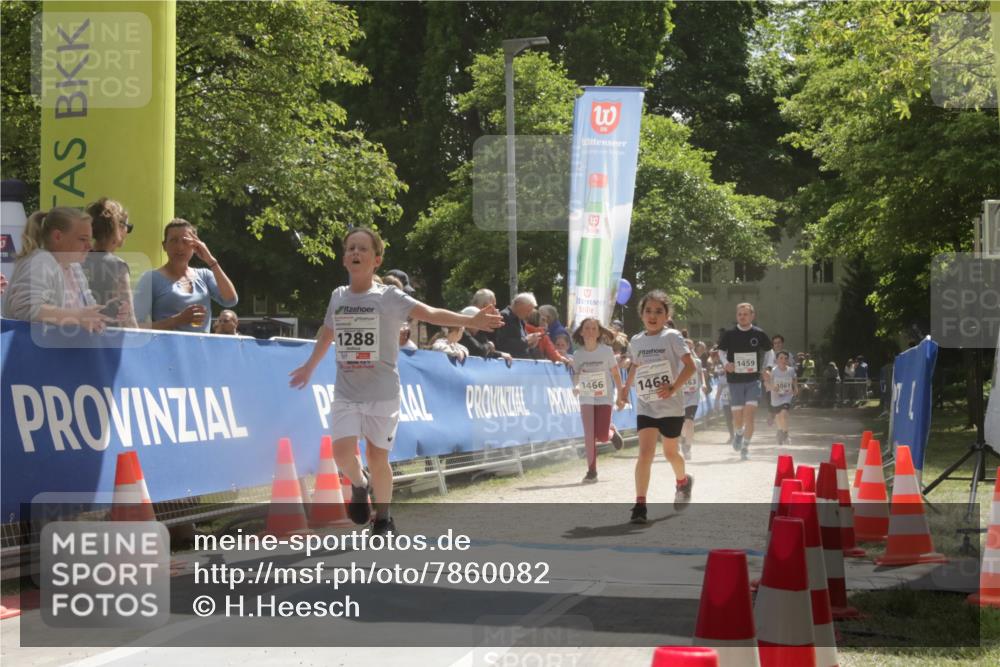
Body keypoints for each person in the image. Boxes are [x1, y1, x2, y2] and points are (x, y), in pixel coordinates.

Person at [289, 227, 502, 536]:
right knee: (341, 453)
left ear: (376, 260)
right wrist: (309, 366)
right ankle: (360, 484)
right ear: (344, 259)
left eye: (363, 249)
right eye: (351, 248)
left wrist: (470, 320)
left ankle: (383, 519)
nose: (356, 253)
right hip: (347, 392)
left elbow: (429, 313)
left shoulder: (388, 296)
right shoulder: (338, 296)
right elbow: (327, 333)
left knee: (378, 456)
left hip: (383, 392)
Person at [617, 290, 696, 523]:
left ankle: (683, 481)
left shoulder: (672, 337)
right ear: (641, 314)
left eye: (658, 311)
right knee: (645, 453)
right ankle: (640, 505)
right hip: (646, 405)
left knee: (670, 452)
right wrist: (625, 388)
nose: (653, 315)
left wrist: (673, 387)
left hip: (671, 406)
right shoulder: (636, 340)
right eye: (648, 311)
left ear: (667, 315)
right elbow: (635, 366)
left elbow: (691, 367)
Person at [2, 207, 113, 332]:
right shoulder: (41, 261)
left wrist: (112, 312)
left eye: (90, 239)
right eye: (83, 239)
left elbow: (88, 313)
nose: (90, 246)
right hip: (30, 350)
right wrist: (76, 317)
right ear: (58, 236)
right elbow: (25, 308)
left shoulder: (74, 267)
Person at [134, 219, 237, 332]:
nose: (180, 247)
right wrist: (176, 320)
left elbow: (230, 300)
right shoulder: (151, 278)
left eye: (185, 241)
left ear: (195, 246)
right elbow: (135, 326)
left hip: (201, 348)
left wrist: (211, 261)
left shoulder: (204, 275)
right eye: (174, 241)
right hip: (167, 348)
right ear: (164, 246)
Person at [571, 317, 625, 483]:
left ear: (599, 333)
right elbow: (577, 375)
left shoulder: (606, 351)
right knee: (589, 435)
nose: (590, 331)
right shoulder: (578, 354)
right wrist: (577, 386)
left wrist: (621, 395)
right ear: (581, 332)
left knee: (601, 436)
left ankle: (610, 431)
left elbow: (616, 373)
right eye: (587, 328)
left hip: (604, 396)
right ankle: (591, 471)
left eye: (594, 328)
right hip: (587, 397)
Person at [717, 302, 772, 460]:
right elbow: (721, 351)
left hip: (752, 380)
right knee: (737, 418)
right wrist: (726, 364)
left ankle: (745, 447)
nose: (742, 317)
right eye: (740, 314)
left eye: (745, 314)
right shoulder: (729, 334)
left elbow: (769, 352)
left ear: (752, 316)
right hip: (734, 381)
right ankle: (739, 433)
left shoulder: (759, 334)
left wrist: (767, 368)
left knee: (749, 415)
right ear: (737, 316)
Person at [81, 197, 137, 328]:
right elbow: (128, 319)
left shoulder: (75, 261)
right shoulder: (117, 266)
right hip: (108, 340)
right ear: (120, 227)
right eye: (128, 227)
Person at [679, 338, 705, 460]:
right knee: (683, 423)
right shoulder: (677, 362)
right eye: (685, 346)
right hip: (680, 395)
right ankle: (683, 439)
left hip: (693, 395)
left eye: (690, 347)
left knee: (689, 421)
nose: (688, 349)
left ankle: (688, 447)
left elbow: (700, 374)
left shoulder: (697, 362)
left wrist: (704, 384)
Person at [495, 293, 542, 359]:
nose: (529, 315)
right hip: (509, 363)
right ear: (519, 305)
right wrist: (526, 341)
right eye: (528, 311)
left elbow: (521, 343)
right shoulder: (504, 316)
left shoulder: (520, 319)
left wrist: (531, 344)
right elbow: (502, 343)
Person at [765, 350, 798, 445]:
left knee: (783, 414)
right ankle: (780, 432)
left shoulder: (791, 370)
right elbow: (766, 383)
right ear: (776, 360)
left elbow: (794, 379)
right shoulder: (773, 371)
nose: (783, 360)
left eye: (786, 358)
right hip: (775, 397)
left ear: (788, 360)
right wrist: (772, 387)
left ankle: (786, 434)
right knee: (778, 417)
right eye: (781, 358)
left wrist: (795, 388)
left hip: (787, 396)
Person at [711, 348, 735, 444]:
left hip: (735, 400)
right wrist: (716, 402)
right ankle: (732, 436)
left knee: (736, 418)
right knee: (728, 419)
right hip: (726, 401)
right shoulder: (721, 377)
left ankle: (738, 435)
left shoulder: (736, 376)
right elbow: (719, 389)